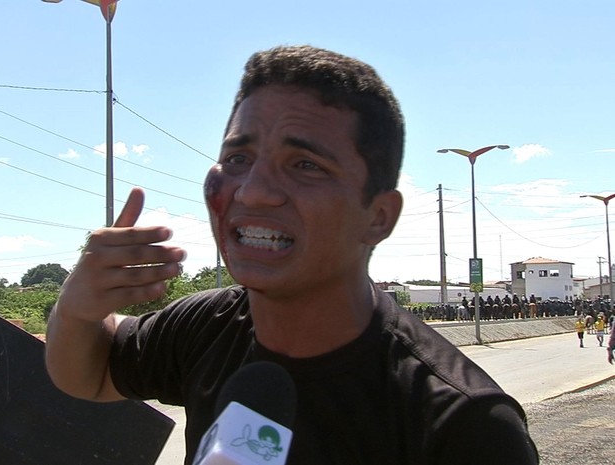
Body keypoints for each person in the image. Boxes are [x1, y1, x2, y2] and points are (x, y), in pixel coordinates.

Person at [45, 45, 538, 465]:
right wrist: (77, 305)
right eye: (238, 158)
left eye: (305, 164)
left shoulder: (464, 424)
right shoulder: (203, 325)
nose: (253, 191)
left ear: (379, 216)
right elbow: (91, 375)